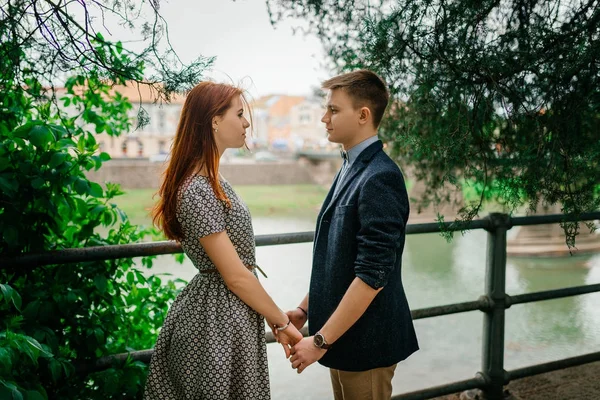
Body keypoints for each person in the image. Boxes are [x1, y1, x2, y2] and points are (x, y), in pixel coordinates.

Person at [145, 81, 302, 399]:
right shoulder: (196, 189)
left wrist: (273, 318)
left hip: (230, 316)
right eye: (240, 114)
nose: (246, 122)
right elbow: (235, 275)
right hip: (216, 322)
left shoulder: (211, 181)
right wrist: (282, 323)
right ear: (215, 120)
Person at [287, 70, 419, 399]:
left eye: (333, 110)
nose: (323, 118)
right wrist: (305, 310)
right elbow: (338, 259)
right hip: (342, 338)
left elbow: (372, 275)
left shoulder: (380, 176)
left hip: (367, 343)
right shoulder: (350, 165)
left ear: (363, 115)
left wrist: (318, 341)